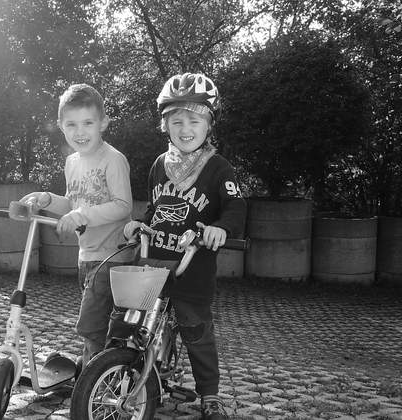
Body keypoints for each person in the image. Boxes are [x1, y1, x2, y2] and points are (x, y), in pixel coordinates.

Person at [124, 73, 246, 420]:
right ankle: (133, 373)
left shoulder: (219, 168)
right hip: (153, 262)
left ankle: (210, 395)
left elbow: (236, 207)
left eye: (194, 120)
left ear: (209, 125)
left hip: (193, 267)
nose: (185, 128)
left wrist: (221, 228)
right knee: (132, 321)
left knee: (196, 331)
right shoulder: (159, 165)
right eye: (176, 121)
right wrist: (140, 224)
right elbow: (155, 208)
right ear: (165, 125)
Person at [20, 83, 133, 367]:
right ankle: (97, 369)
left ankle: (93, 377)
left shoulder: (113, 159)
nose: (79, 132)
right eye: (71, 124)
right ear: (61, 126)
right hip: (86, 256)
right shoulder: (72, 162)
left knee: (92, 324)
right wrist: (47, 199)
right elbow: (73, 203)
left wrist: (82, 215)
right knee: (97, 322)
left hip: (113, 256)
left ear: (103, 123)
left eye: (87, 123)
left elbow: (123, 205)